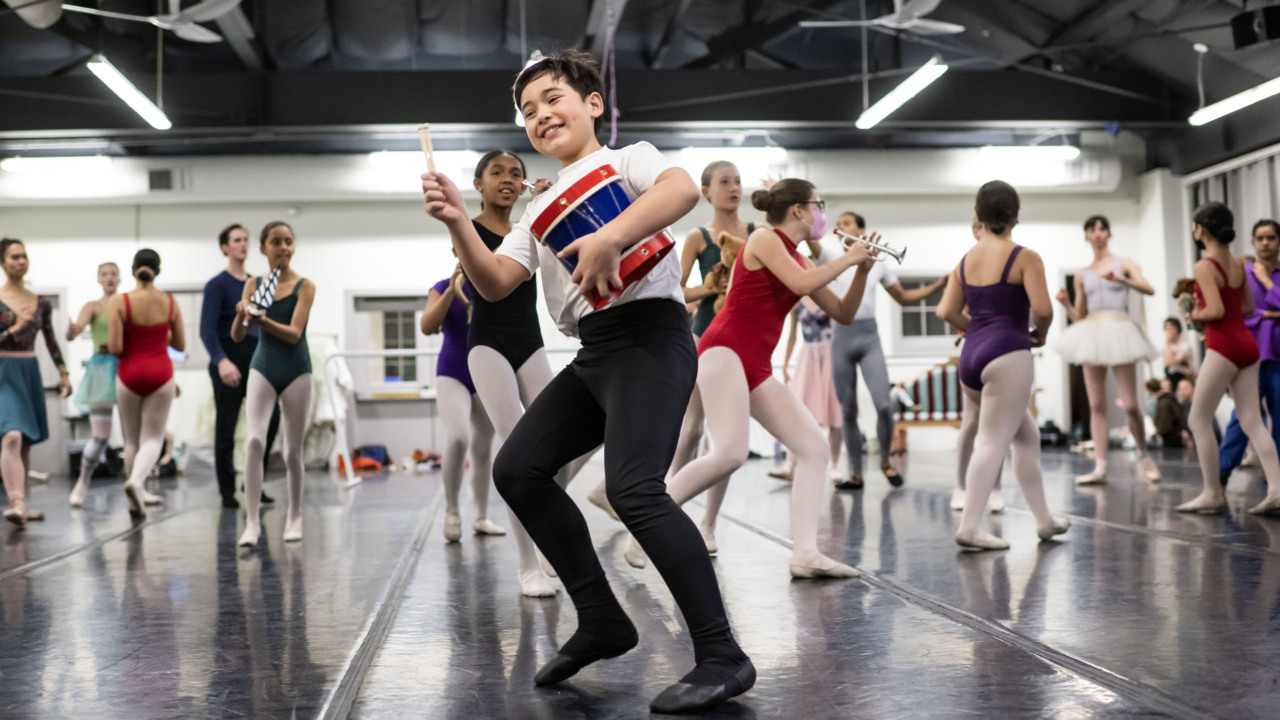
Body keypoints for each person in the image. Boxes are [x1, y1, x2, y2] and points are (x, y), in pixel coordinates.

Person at [422, 49, 753, 714]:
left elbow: (681, 191)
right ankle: (602, 618)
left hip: (652, 340)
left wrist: (610, 237)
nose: (540, 115)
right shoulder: (534, 209)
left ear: (593, 104)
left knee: (634, 488)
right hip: (595, 352)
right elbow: (494, 282)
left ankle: (723, 655)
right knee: (517, 470)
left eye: (552, 99)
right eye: (528, 110)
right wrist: (460, 223)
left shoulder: (628, 161)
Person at [628, 178, 874, 575]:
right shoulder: (763, 239)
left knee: (813, 448)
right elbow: (801, 285)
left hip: (755, 364)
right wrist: (846, 259)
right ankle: (641, 525)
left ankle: (805, 553)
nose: (821, 214)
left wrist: (861, 270)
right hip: (723, 351)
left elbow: (843, 312)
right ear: (798, 210)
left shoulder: (799, 256)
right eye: (818, 205)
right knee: (729, 452)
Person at [463, 150, 586, 598]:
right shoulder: (470, 230)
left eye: (516, 173)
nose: (508, 179)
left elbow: (564, 255)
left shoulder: (529, 227)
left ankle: (546, 531)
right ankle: (527, 564)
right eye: (497, 173)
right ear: (479, 184)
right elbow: (479, 275)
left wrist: (549, 208)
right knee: (518, 452)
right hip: (487, 345)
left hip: (529, 342)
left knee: (564, 447)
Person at [935, 181, 1069, 550]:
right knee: (993, 441)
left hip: (971, 358)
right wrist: (1037, 334)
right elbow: (1042, 309)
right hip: (1007, 353)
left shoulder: (966, 260)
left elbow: (945, 310)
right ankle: (970, 525)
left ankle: (1043, 520)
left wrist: (974, 328)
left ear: (979, 215)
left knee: (1026, 435)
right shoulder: (1024, 257)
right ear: (1015, 214)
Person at [661, 160, 757, 549]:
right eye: (724, 182)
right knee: (692, 429)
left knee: (727, 438)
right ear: (706, 192)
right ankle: (665, 508)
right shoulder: (699, 237)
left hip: (742, 339)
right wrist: (710, 289)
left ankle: (709, 523)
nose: (734, 188)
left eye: (738, 181)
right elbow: (676, 290)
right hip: (704, 335)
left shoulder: (757, 233)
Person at [822, 211, 946, 489]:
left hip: (868, 337)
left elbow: (902, 297)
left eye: (846, 223)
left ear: (861, 229)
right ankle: (855, 472)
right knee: (848, 409)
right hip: (841, 337)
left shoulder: (877, 262)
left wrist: (935, 287)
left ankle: (886, 462)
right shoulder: (831, 258)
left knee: (884, 405)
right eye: (838, 224)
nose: (840, 228)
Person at [1177, 204, 1280, 515]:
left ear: (1202, 230)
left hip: (1224, 346)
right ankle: (1276, 488)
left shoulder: (1204, 266)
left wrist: (1192, 312)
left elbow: (1217, 312)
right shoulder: (1238, 264)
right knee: (1251, 420)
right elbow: (1248, 307)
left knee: (1197, 419)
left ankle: (1211, 492)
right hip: (1249, 345)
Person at [1052, 215, 1161, 484]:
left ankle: (1143, 454)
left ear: (1109, 234)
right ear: (1087, 236)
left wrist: (1122, 279)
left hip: (1120, 329)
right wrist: (1066, 305)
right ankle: (1100, 467)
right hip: (1092, 331)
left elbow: (1149, 288)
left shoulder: (1124, 263)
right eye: (1092, 229)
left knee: (1132, 404)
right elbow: (1080, 315)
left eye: (1102, 228)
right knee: (1097, 404)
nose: (1098, 233)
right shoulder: (1082, 274)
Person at [232, 221, 315, 546]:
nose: (283, 248)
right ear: (263, 248)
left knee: (293, 450)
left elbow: (294, 334)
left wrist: (261, 320)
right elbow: (238, 336)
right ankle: (252, 522)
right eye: (276, 242)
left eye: (288, 242)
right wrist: (241, 314)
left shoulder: (305, 285)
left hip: (296, 368)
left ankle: (294, 516)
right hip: (263, 366)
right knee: (254, 441)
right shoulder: (253, 283)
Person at [420, 263, 502, 544]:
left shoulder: (491, 281)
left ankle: (480, 516)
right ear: (456, 251)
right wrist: (451, 290)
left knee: (483, 447)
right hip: (452, 370)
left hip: (485, 370)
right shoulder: (442, 286)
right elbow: (427, 326)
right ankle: (452, 511)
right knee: (457, 438)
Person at [201, 224, 279, 510]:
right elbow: (207, 330)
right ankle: (227, 491)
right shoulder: (217, 285)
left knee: (271, 420)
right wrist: (221, 361)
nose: (243, 244)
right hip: (228, 356)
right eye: (237, 240)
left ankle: (253, 482)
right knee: (226, 428)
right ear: (225, 247)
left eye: (246, 239)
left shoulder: (257, 283)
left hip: (256, 355)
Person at [0, 238, 71, 526]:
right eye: (15, 257)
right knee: (12, 435)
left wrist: (63, 371)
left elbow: (51, 339)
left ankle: (22, 503)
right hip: (4, 369)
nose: (21, 261)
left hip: (29, 368)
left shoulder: (40, 301)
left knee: (25, 441)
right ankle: (15, 500)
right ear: (3, 262)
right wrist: (15, 328)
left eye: (24, 256)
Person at [108, 249, 182, 518]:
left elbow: (115, 347)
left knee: (131, 440)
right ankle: (137, 482)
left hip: (129, 372)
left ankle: (133, 498)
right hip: (160, 372)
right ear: (158, 270)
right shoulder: (170, 302)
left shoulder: (120, 301)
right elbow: (181, 345)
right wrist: (160, 332)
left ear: (133, 269)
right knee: (153, 437)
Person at [1218, 219, 1280, 486]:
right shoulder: (1241, 274)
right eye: (1260, 238)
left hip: (1278, 355)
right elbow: (1238, 313)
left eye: (1271, 238)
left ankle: (1276, 481)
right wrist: (1268, 314)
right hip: (1250, 355)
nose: (1265, 243)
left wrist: (1267, 281)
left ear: (1278, 242)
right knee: (1243, 416)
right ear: (1253, 242)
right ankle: (1220, 474)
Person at [772, 298, 844, 484]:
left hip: (831, 354)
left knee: (836, 411)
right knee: (797, 410)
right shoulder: (797, 300)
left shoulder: (831, 295)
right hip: (808, 357)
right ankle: (790, 465)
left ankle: (834, 465)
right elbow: (792, 335)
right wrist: (786, 363)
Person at [66, 261, 121, 507]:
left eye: (113, 274)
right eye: (104, 274)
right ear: (98, 278)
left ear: (120, 278)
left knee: (134, 438)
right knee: (100, 435)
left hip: (127, 367)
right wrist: (73, 330)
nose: (109, 278)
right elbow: (75, 329)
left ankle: (137, 487)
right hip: (101, 371)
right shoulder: (93, 306)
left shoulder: (126, 303)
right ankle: (82, 482)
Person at [1147, 378, 1189, 449]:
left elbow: (1164, 425)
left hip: (1168, 439)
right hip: (1176, 438)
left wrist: (1159, 432)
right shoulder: (1173, 400)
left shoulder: (1164, 402)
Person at [1162, 316, 1195, 386]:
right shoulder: (1167, 346)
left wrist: (1167, 343)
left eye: (1170, 329)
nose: (1167, 332)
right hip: (1171, 378)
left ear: (1176, 329)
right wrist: (1167, 345)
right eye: (1166, 329)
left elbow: (1174, 361)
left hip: (1184, 378)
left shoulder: (1185, 346)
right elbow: (1166, 363)